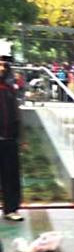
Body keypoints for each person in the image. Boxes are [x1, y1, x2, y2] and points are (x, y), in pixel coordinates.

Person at [0, 58, 23, 222]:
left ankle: (11, 208)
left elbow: (16, 116)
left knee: (11, 175)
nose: (2, 68)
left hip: (9, 139)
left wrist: (20, 137)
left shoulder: (9, 89)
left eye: (4, 65)